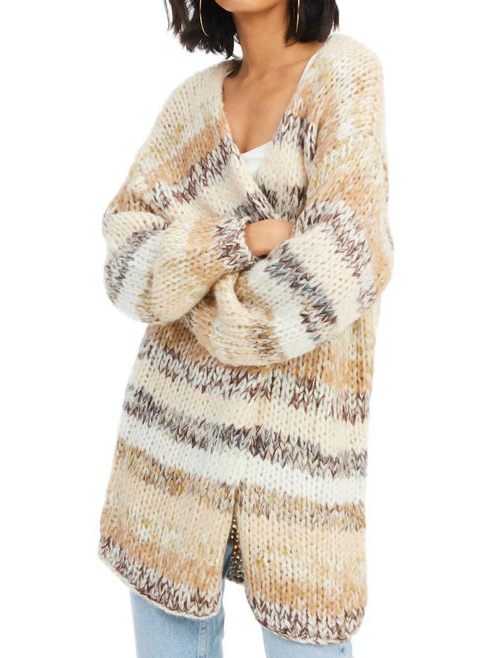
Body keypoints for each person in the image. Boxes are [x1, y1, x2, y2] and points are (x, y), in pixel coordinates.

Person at [98, 0, 394, 655]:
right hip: (169, 453)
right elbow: (125, 265)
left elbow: (345, 262)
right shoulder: (191, 104)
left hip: (302, 456)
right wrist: (240, 242)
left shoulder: (345, 75)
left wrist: (194, 290)